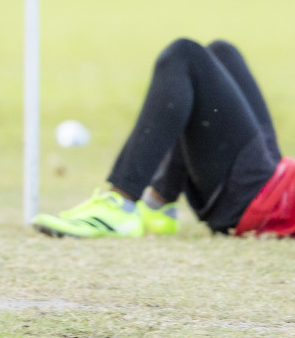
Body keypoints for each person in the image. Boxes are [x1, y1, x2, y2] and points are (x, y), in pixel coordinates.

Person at [32, 38, 293, 239]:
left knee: (184, 55)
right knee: (222, 52)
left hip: (262, 202)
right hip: (280, 178)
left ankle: (120, 205)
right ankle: (158, 203)